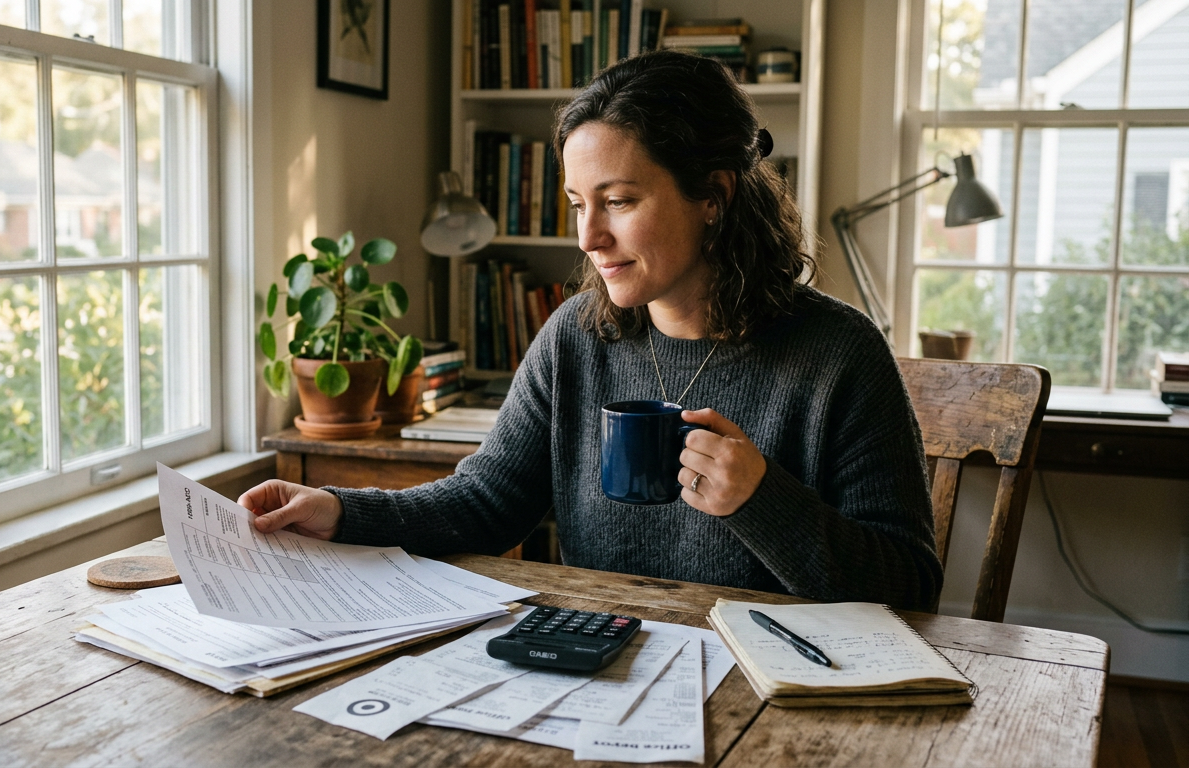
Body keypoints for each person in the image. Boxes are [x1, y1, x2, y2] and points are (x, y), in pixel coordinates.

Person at [240, 50, 943, 611]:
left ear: (714, 196)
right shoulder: (576, 337)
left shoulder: (839, 355)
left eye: (620, 200)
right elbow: (485, 502)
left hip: (774, 702)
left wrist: (763, 500)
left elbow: (911, 586)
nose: (589, 236)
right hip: (608, 667)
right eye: (579, 203)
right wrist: (338, 511)